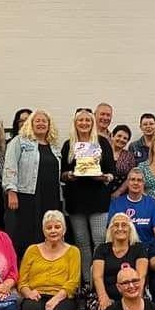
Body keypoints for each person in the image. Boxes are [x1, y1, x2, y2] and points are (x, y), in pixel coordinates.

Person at [60, 109, 115, 287]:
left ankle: (99, 280)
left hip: (98, 200)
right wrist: (69, 175)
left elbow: (111, 172)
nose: (84, 123)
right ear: (75, 123)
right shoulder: (68, 145)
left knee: (99, 241)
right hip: (76, 201)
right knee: (81, 243)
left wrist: (104, 177)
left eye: (87, 120)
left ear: (92, 123)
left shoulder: (102, 144)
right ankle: (86, 282)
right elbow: (61, 174)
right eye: (80, 120)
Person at [3, 109, 63, 258]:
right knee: (26, 234)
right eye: (37, 121)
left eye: (44, 121)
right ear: (30, 123)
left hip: (51, 197)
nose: (41, 123)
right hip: (27, 196)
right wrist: (11, 191)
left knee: (47, 232)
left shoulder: (54, 146)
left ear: (49, 125)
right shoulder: (19, 141)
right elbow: (10, 166)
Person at [90, 213, 149, 310]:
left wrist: (135, 300)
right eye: (116, 225)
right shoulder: (102, 249)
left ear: (130, 229)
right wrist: (103, 298)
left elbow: (141, 276)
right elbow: (97, 277)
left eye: (124, 225)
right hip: (106, 295)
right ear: (111, 230)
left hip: (134, 293)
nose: (120, 228)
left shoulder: (139, 248)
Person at [108, 168, 155, 244]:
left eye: (139, 180)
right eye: (132, 179)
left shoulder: (152, 203)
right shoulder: (116, 203)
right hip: (124, 249)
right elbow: (111, 231)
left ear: (143, 184)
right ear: (127, 183)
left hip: (146, 249)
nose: (136, 183)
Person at [108, 124, 136, 198]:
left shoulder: (129, 156)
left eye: (125, 138)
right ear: (112, 136)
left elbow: (130, 176)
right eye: (119, 136)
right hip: (100, 192)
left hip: (120, 195)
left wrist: (118, 192)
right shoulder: (103, 152)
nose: (121, 139)